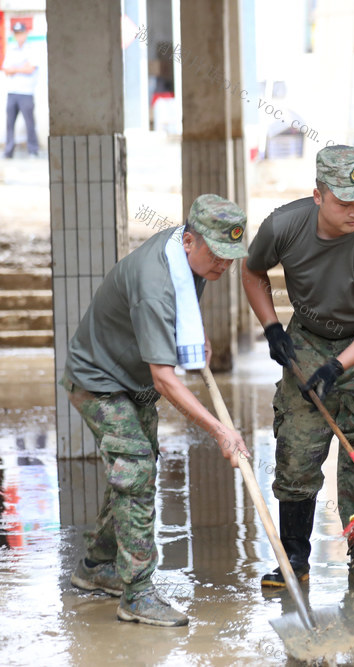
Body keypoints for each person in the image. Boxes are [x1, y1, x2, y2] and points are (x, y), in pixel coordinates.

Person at [242, 146, 354, 604]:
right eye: (344, 201)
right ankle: (294, 560)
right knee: (297, 452)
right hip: (309, 338)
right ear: (318, 195)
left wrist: (339, 365)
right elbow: (252, 270)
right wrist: (272, 327)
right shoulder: (285, 225)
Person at [64, 194, 251, 627]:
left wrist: (193, 333)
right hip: (99, 380)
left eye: (231, 256)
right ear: (189, 240)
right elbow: (167, 380)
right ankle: (138, 594)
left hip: (134, 377)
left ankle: (96, 567)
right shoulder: (154, 282)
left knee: (137, 464)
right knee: (136, 472)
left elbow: (181, 309)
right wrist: (221, 429)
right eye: (218, 255)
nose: (224, 265)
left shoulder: (187, 256)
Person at [3, 21, 40, 158]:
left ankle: (33, 150)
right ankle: (8, 151)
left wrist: (15, 69)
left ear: (25, 34)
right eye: (16, 34)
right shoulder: (11, 49)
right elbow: (6, 69)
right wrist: (21, 67)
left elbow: (30, 69)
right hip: (12, 92)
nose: (19, 36)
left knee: (29, 123)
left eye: (21, 33)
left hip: (26, 92)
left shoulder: (31, 49)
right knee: (10, 123)